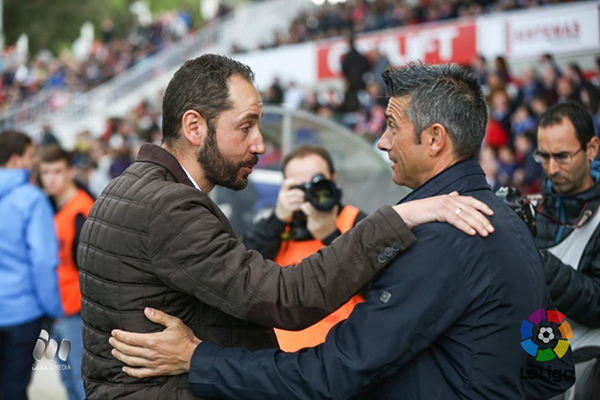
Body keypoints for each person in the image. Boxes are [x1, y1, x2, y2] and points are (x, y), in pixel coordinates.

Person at [110, 63, 575, 399]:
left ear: (434, 139)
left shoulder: (440, 240)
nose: (381, 141)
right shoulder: (509, 223)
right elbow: (555, 360)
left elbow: (335, 374)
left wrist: (198, 359)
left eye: (392, 127)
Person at [243, 144, 368, 351]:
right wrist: (278, 219)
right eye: (299, 187)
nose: (309, 193)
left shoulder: (355, 221)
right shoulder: (276, 227)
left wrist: (331, 236)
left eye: (316, 183)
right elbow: (242, 272)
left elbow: (380, 284)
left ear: (333, 180)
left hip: (340, 356)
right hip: (280, 358)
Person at [533, 102, 600, 399]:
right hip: (538, 364)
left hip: (588, 368)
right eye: (543, 156)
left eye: (562, 156)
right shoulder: (534, 208)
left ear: (592, 148)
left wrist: (541, 263)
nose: (551, 168)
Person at [0, 131, 63, 400]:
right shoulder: (32, 198)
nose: (35, 160)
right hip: (21, 312)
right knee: (14, 388)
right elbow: (43, 260)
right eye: (30, 155)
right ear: (16, 160)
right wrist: (53, 308)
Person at [39, 145, 95, 400]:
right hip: (60, 311)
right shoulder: (53, 208)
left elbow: (90, 267)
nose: (51, 178)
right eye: (46, 172)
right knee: (69, 383)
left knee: (81, 384)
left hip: (78, 313)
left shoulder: (82, 210)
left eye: (57, 171)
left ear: (70, 172)